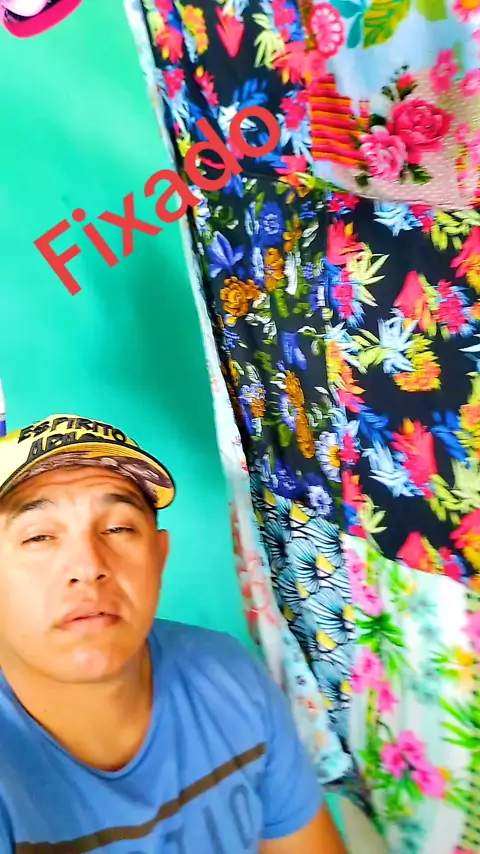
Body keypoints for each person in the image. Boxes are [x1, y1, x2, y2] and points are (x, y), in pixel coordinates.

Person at [0, 413, 347, 854]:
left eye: (118, 528)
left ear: (159, 556)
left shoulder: (228, 676)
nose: (88, 566)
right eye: (38, 537)